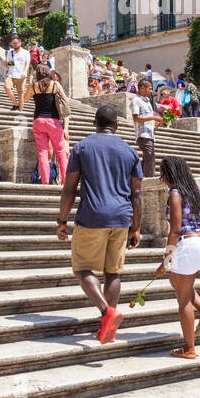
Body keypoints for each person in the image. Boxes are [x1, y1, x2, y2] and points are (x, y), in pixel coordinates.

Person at [56, 105, 143, 345]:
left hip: (92, 216)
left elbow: (69, 188)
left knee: (82, 268)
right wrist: (136, 227)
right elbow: (137, 194)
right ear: (116, 125)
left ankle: (107, 313)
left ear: (95, 123)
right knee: (113, 272)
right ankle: (109, 329)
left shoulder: (82, 147)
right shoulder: (130, 152)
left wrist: (62, 220)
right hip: (122, 217)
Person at [153, 156, 200, 358]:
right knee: (177, 281)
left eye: (162, 173)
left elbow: (175, 230)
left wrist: (165, 261)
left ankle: (189, 348)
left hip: (189, 244)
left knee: (182, 301)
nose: (161, 178)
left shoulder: (175, 193)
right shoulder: (197, 192)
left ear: (169, 174)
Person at [30, 62, 70, 184]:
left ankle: (45, 182)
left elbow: (25, 98)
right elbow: (66, 101)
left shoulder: (33, 86)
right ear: (48, 73)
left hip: (38, 121)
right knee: (61, 153)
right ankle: (66, 181)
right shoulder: (55, 84)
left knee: (43, 152)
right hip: (53, 121)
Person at [131, 77, 161, 178]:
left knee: (147, 158)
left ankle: (134, 176)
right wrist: (152, 117)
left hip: (149, 134)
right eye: (150, 88)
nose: (151, 90)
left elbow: (147, 117)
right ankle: (150, 179)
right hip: (143, 135)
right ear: (142, 88)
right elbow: (136, 118)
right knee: (150, 157)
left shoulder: (147, 101)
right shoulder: (136, 100)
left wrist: (155, 121)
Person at [4, 35, 30, 110]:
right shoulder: (10, 52)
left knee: (20, 94)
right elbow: (7, 66)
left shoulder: (26, 53)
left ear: (20, 43)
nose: (14, 45)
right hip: (11, 74)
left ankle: (20, 110)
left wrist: (25, 72)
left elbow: (27, 63)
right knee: (6, 87)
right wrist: (6, 62)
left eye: (16, 43)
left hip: (21, 75)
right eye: (13, 43)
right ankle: (15, 104)